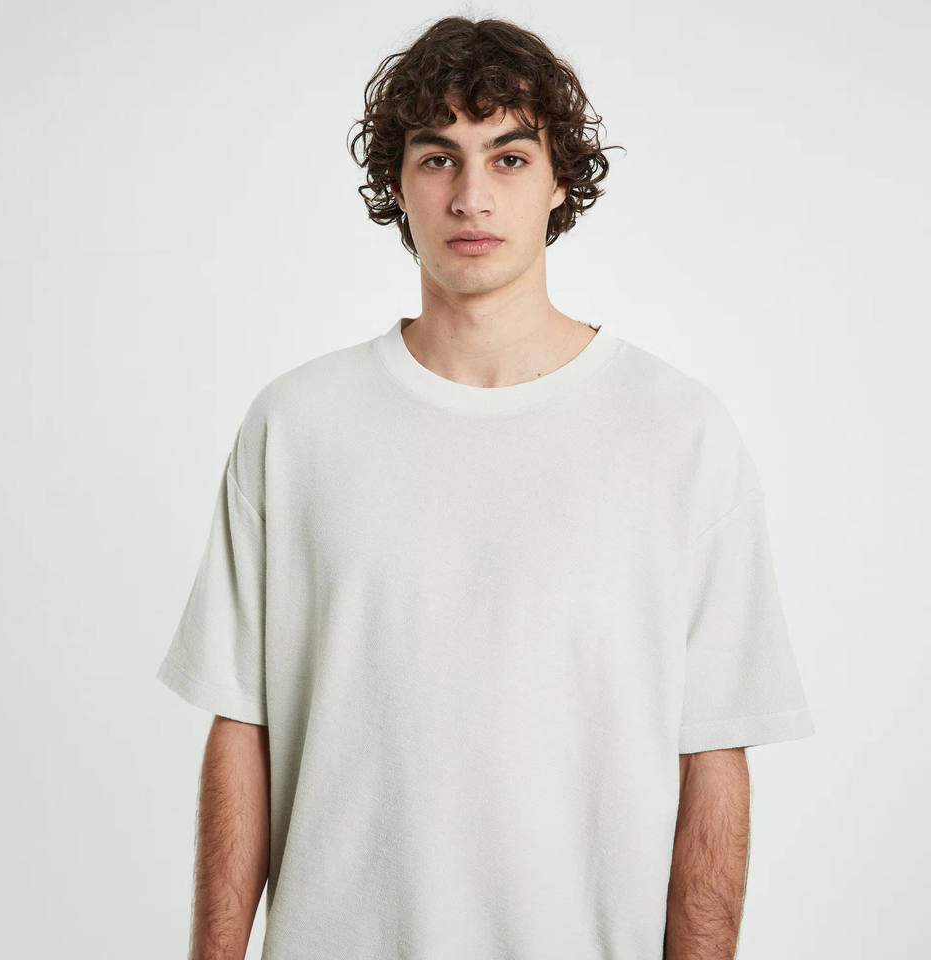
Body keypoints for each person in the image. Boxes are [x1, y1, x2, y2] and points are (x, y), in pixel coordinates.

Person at [156, 15, 815, 960]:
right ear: (398, 184)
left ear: (559, 180)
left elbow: (713, 754)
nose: (471, 197)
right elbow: (241, 733)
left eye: (509, 158)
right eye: (438, 159)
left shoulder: (679, 433)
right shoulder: (296, 426)